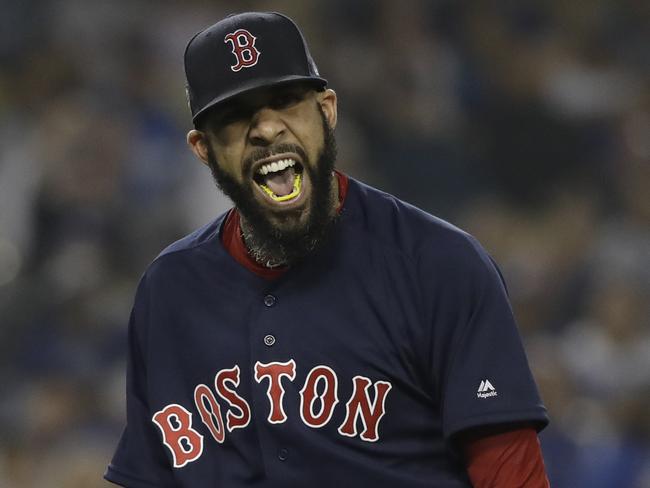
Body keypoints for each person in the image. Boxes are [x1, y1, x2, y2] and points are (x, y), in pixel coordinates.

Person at [105, 12, 550, 487]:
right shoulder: (170, 290)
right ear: (203, 148)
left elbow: (512, 475)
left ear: (327, 110)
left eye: (285, 102)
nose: (267, 129)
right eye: (235, 117)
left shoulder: (438, 265)